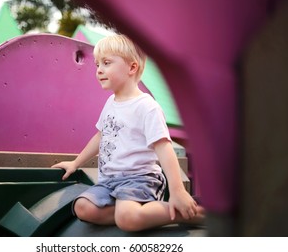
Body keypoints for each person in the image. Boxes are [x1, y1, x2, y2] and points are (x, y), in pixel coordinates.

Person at [52, 33, 204, 232]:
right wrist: (75, 163)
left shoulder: (147, 106)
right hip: (110, 180)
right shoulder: (110, 103)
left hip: (140, 178)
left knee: (127, 220)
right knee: (82, 208)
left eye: (106, 63)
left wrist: (177, 191)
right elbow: (101, 136)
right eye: (97, 64)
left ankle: (195, 214)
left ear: (132, 67)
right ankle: (129, 212)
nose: (99, 70)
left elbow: (164, 148)